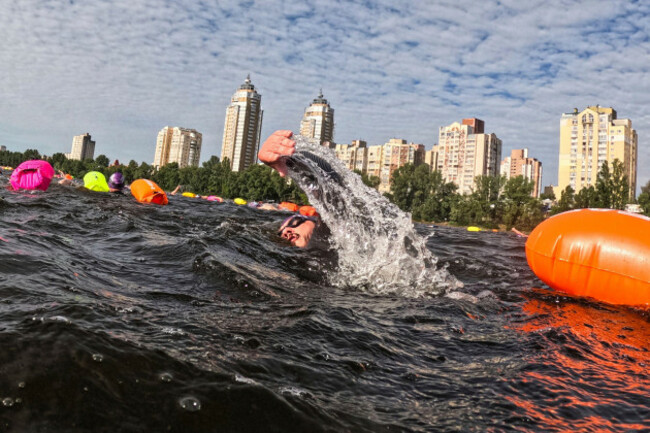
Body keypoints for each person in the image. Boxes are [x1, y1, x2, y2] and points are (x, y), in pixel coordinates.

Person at [259, 130, 331, 248]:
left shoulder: (339, 231)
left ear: (314, 222)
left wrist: (289, 158)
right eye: (280, 234)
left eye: (294, 223)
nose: (286, 231)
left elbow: (329, 183)